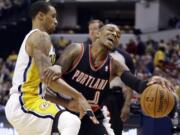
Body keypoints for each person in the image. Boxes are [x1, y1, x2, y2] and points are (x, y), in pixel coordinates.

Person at [46, 23, 174, 135]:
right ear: (98, 34)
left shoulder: (115, 65)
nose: (114, 34)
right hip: (62, 111)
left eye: (118, 35)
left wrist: (154, 81)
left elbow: (138, 85)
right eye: (110, 31)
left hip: (91, 117)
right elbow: (51, 81)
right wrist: (67, 103)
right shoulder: (77, 49)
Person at [4, 1, 98, 135]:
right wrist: (79, 96)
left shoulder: (38, 38)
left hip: (29, 102)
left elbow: (42, 86)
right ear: (41, 16)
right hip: (24, 103)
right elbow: (49, 79)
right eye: (53, 16)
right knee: (71, 121)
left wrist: (66, 102)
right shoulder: (40, 36)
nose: (56, 21)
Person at [84, 19, 135, 135]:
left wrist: (127, 105)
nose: (92, 32)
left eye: (95, 29)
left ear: (102, 32)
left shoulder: (124, 56)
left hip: (114, 97)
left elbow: (130, 83)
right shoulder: (83, 52)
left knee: (115, 131)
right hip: (91, 97)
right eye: (90, 29)